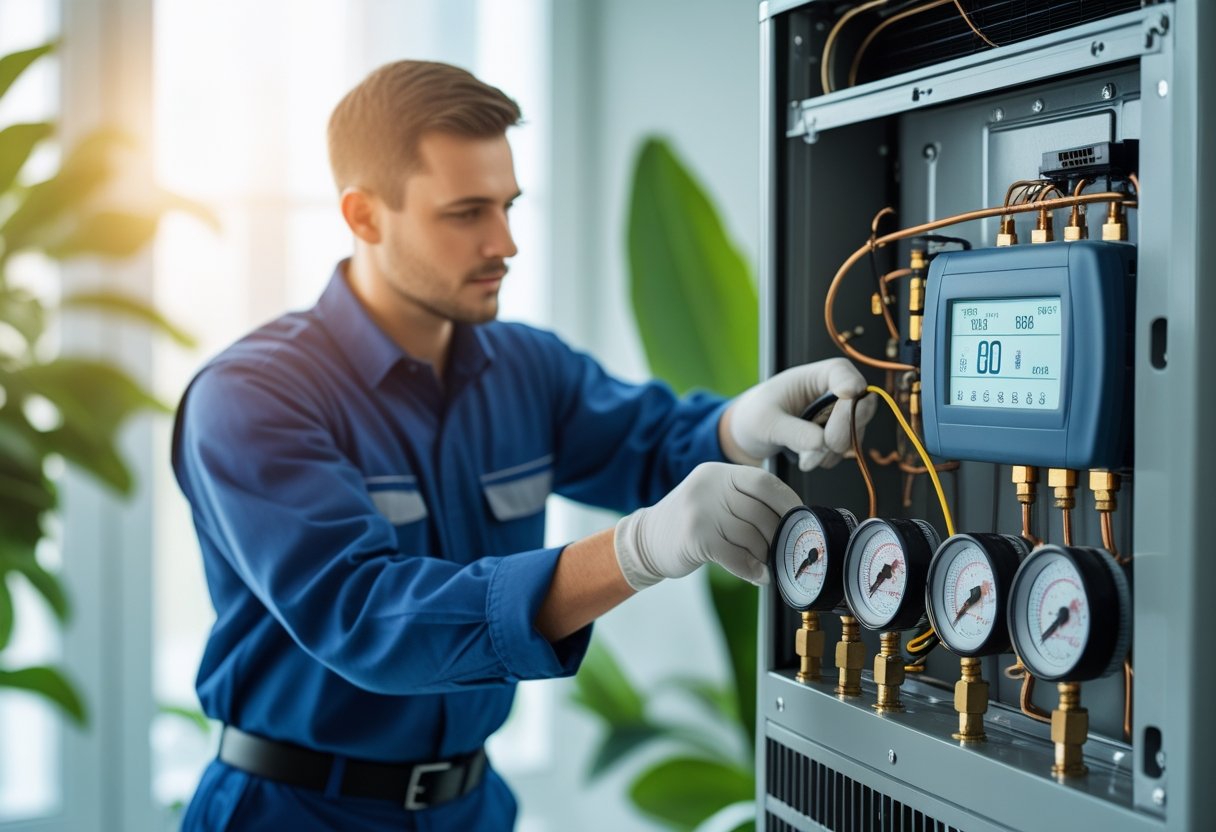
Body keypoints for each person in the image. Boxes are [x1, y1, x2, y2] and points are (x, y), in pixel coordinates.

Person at [172, 60, 876, 831]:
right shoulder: (252, 398)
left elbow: (648, 443)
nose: (504, 242)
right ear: (365, 215)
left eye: (507, 206)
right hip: (291, 812)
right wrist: (636, 550)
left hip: (473, 809)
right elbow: (367, 615)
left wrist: (745, 423)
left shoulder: (526, 368)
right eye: (466, 213)